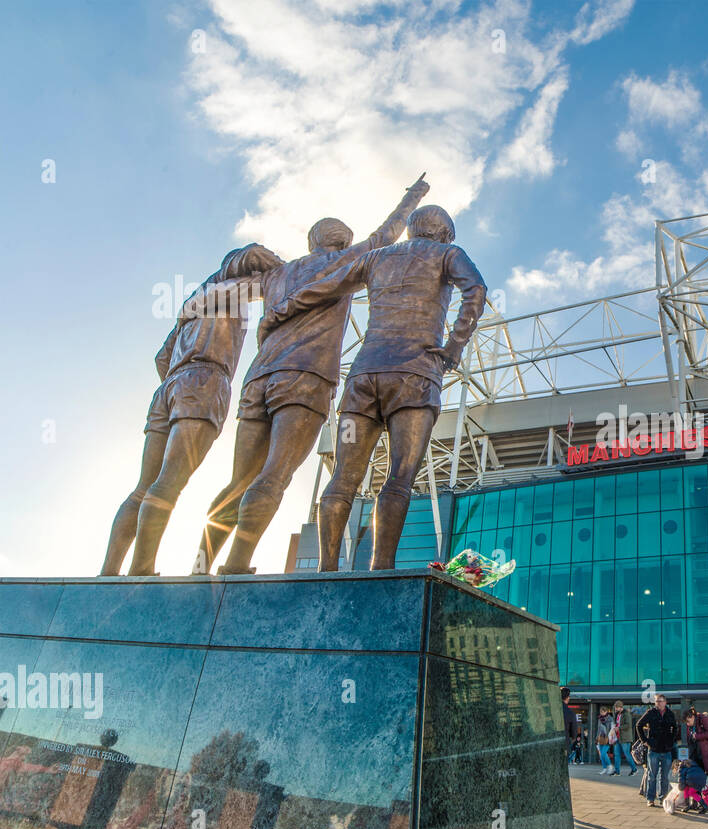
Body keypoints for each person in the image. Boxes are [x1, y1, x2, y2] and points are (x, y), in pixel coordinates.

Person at [195, 175, 429, 574]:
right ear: (341, 241)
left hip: (258, 378)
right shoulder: (345, 261)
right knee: (274, 476)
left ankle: (201, 565)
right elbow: (387, 234)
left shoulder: (275, 276)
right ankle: (235, 566)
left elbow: (212, 296)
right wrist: (414, 197)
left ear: (312, 241)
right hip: (305, 379)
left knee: (238, 480)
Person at [268, 205, 487, 571]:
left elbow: (323, 287)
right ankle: (380, 568)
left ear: (412, 228)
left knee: (343, 477)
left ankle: (325, 570)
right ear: (445, 234)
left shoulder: (375, 258)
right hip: (414, 376)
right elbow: (475, 291)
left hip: (364, 377)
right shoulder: (449, 254)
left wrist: (280, 309)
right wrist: (454, 346)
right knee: (399, 477)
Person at [102, 244, 283, 575]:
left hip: (168, 386)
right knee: (170, 481)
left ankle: (110, 570)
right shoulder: (234, 289)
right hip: (204, 379)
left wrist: (178, 382)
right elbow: (280, 279)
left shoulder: (195, 298)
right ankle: (140, 569)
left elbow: (161, 355)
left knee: (144, 485)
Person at [634, 694, 678, 807]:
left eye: (660, 701)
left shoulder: (670, 714)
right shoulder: (650, 713)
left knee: (665, 777)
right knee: (652, 775)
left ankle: (663, 798)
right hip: (653, 749)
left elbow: (675, 728)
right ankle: (650, 798)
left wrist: (671, 741)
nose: (658, 703)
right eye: (656, 701)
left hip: (666, 749)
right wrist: (645, 741)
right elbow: (639, 725)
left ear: (665, 702)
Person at [608, 700, 636, 775]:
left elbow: (628, 725)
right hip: (618, 737)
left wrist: (618, 728)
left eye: (616, 708)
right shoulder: (617, 714)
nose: (615, 709)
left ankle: (634, 769)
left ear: (621, 707)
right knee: (616, 754)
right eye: (615, 708)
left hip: (625, 737)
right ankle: (617, 771)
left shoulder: (626, 714)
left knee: (627, 754)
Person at [561, 687, 580, 765]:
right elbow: (574, 730)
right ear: (568, 698)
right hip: (564, 741)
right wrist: (573, 738)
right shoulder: (570, 713)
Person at [596, 705, 614, 774]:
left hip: (608, 738)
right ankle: (604, 768)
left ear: (606, 711)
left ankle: (610, 766)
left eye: (603, 712)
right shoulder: (599, 719)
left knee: (603, 753)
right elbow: (598, 729)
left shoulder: (610, 719)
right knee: (601, 754)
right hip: (601, 737)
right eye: (601, 712)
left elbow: (612, 728)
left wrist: (611, 737)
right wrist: (596, 738)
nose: (602, 713)